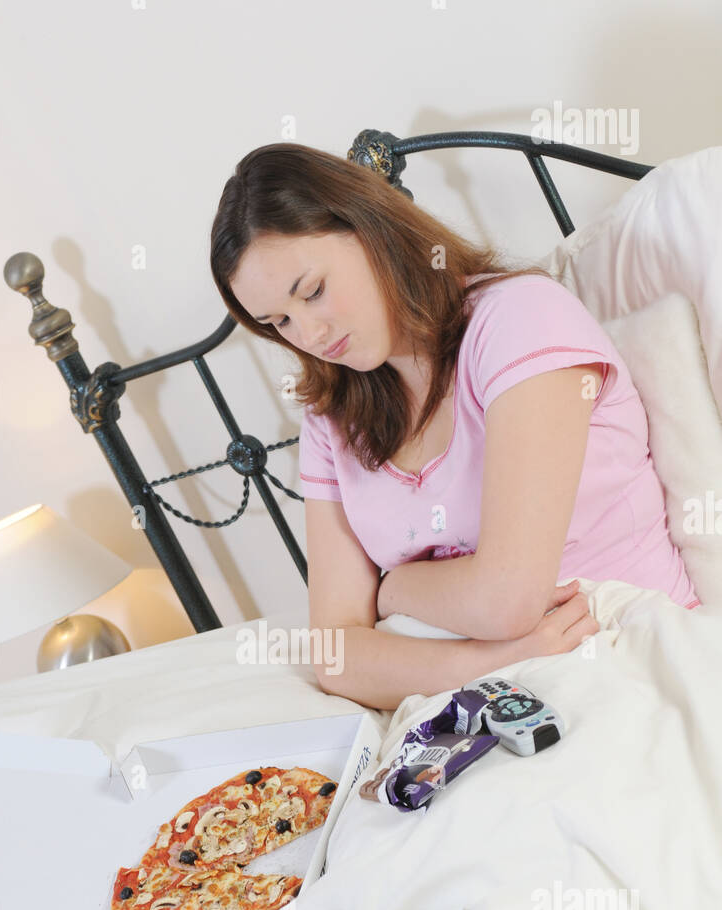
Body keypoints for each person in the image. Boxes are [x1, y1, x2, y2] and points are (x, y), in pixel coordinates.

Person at [210, 143, 699, 712]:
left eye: (313, 292)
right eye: (280, 322)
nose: (310, 335)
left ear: (372, 230)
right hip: (480, 692)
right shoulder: (330, 420)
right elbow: (336, 657)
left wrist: (396, 587)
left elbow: (509, 601)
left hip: (622, 657)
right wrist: (487, 666)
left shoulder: (518, 320)